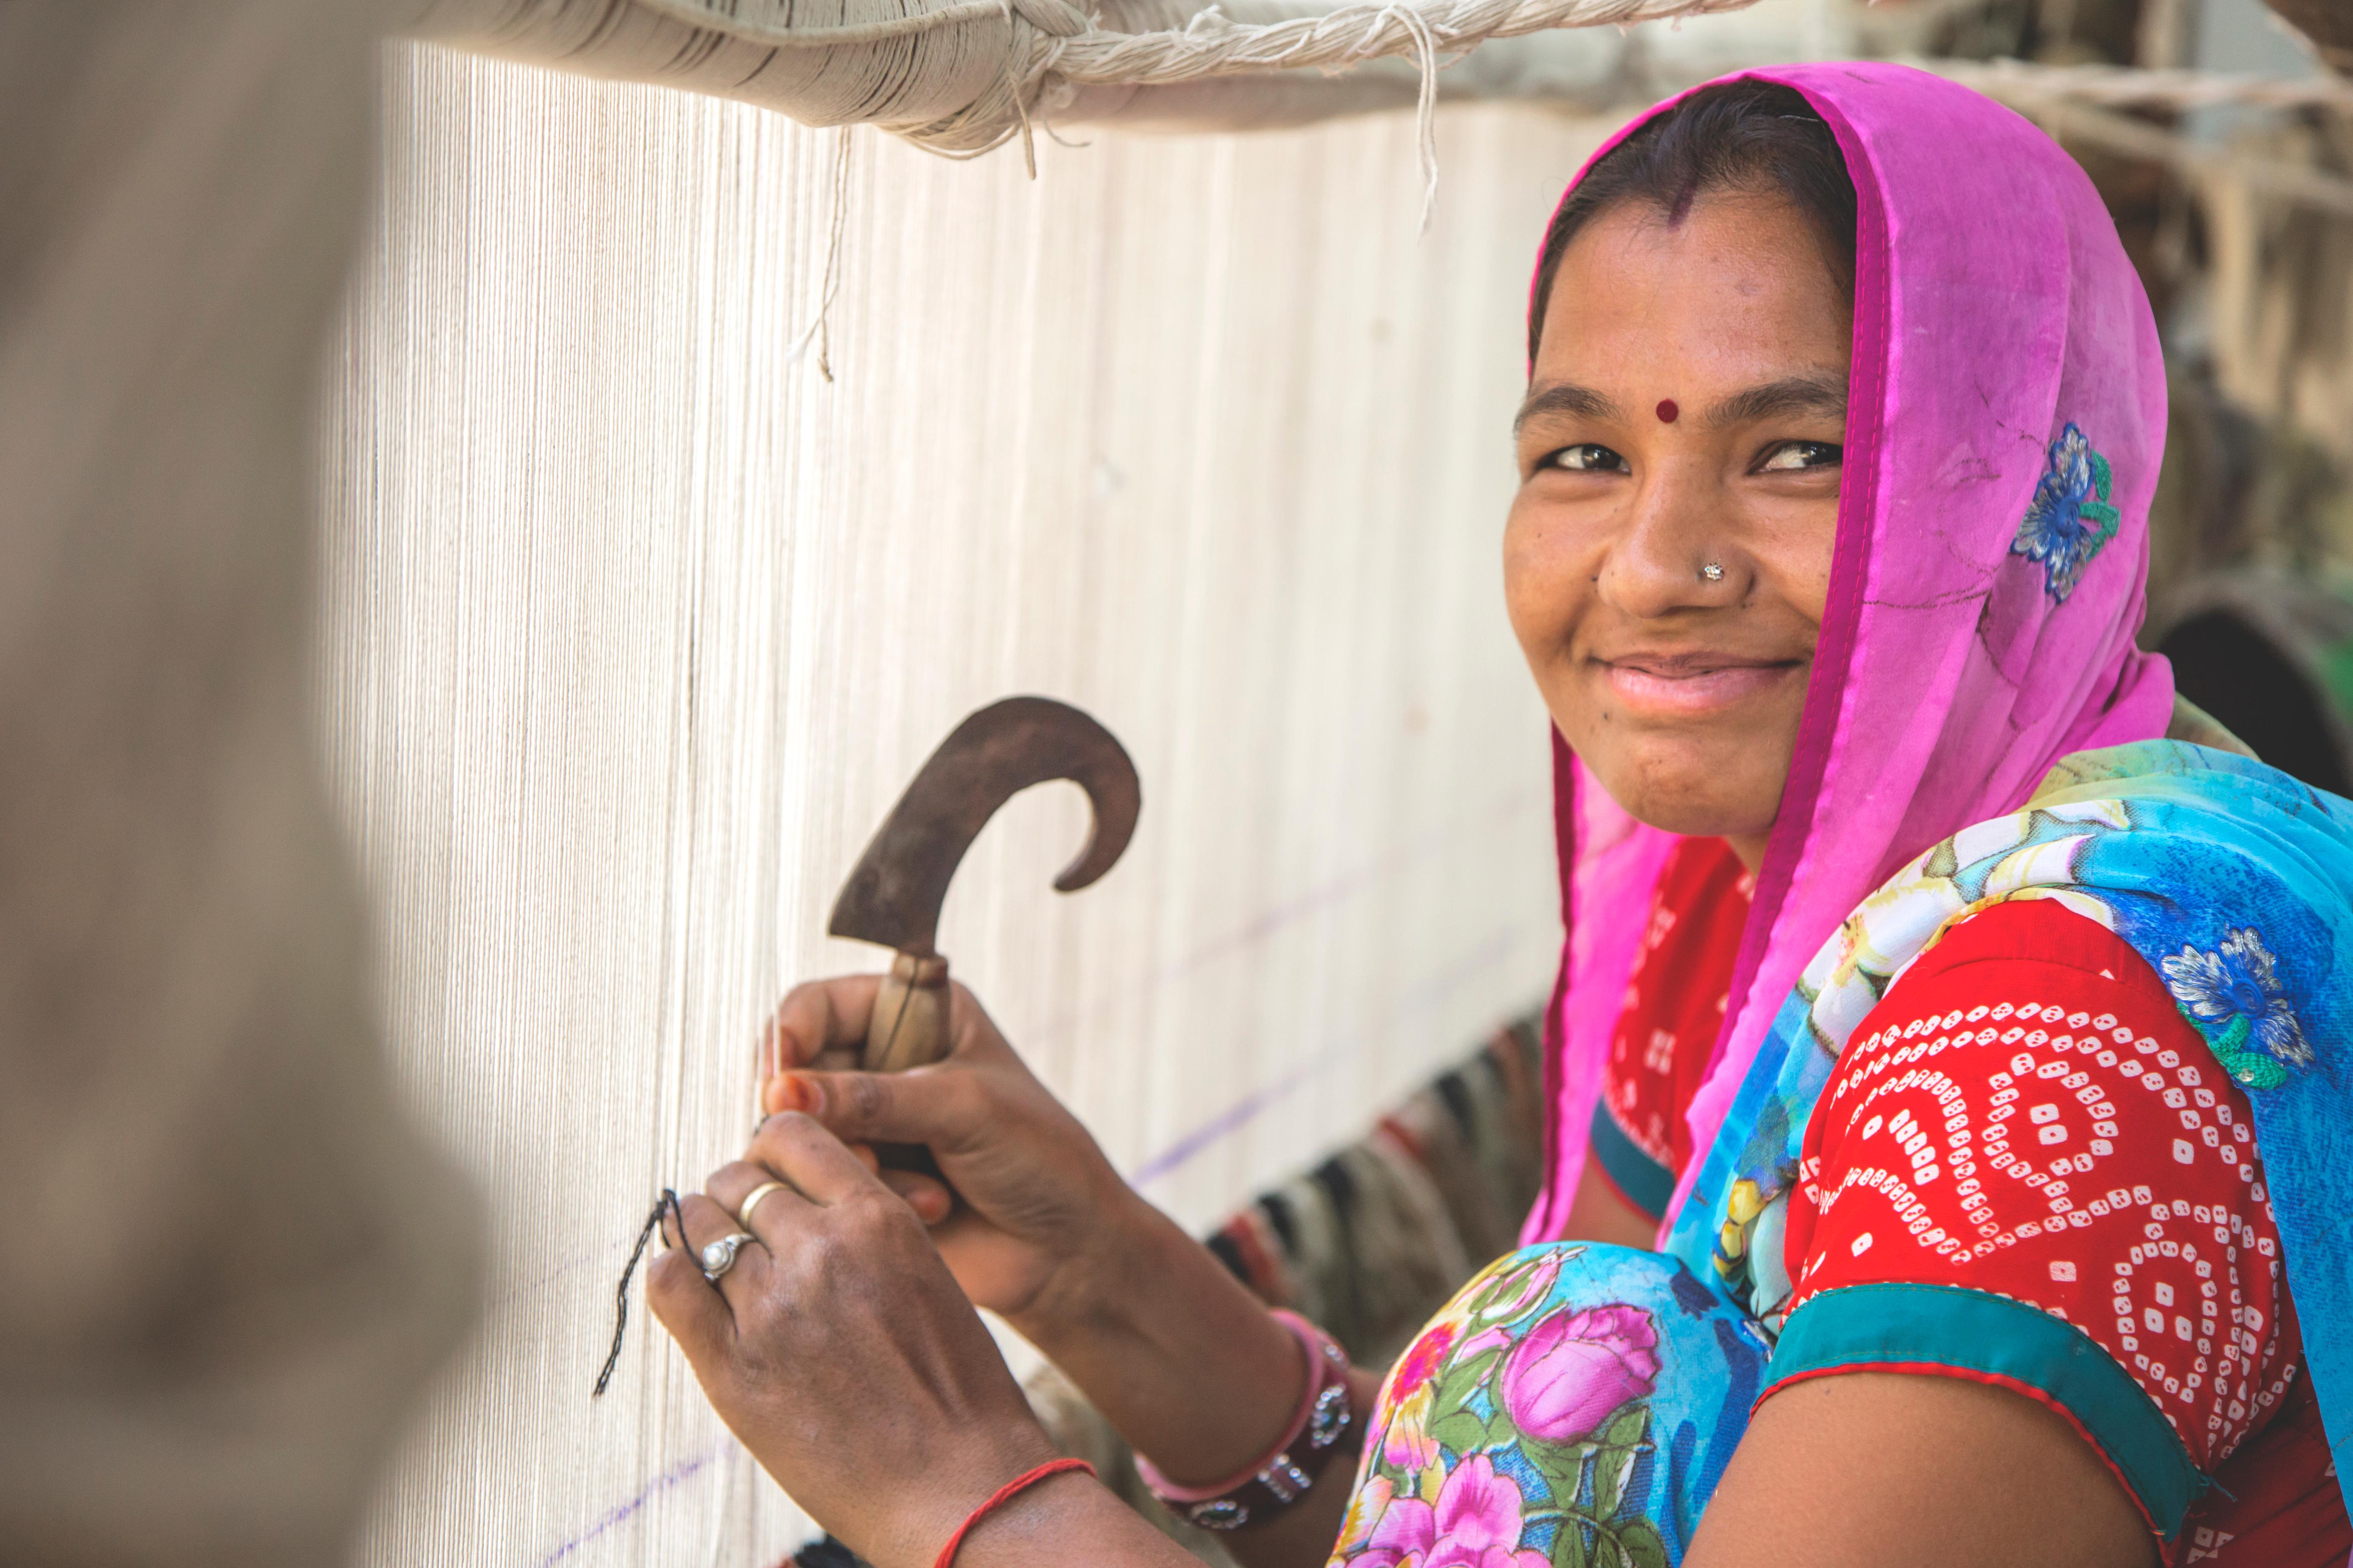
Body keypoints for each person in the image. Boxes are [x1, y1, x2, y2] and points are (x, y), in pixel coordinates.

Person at [643, 63, 2353, 1568]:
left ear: (2031, 484)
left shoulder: (2069, 1045)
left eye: (1799, 455)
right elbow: (1520, 1519)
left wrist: (963, 1490)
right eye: (1582, 455)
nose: (1655, 569)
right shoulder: (1728, 906)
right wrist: (1096, 1267)